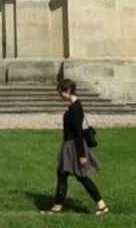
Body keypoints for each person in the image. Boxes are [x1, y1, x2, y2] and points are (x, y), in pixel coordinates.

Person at [43, 79, 109, 216]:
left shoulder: (75, 108)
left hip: (74, 146)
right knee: (62, 175)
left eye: (60, 92)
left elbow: (78, 134)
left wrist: (82, 155)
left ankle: (101, 206)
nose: (59, 95)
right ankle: (58, 206)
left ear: (67, 91)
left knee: (81, 177)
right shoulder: (74, 106)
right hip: (70, 146)